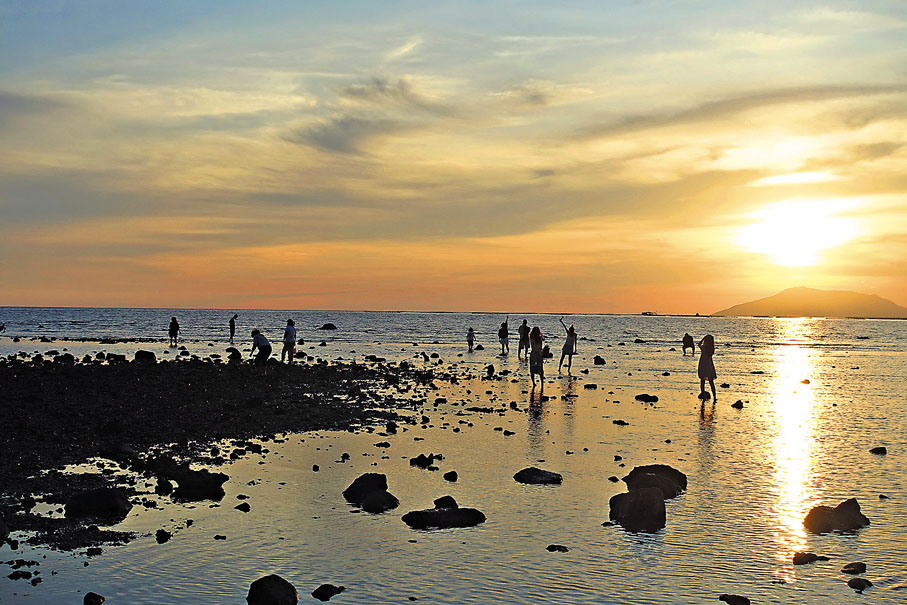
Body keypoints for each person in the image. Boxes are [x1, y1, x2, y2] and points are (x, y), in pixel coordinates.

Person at [698, 334, 717, 401]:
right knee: (711, 382)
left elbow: (699, 344)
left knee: (702, 381)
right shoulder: (711, 348)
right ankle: (715, 396)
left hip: (703, 364)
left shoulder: (704, 347)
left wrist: (703, 338)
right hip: (709, 364)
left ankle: (703, 395)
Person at [529, 326, 545, 391]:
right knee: (541, 369)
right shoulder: (540, 338)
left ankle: (533, 383)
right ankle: (542, 383)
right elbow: (543, 340)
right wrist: (541, 334)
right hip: (539, 354)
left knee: (532, 369)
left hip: (533, 354)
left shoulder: (531, 338)